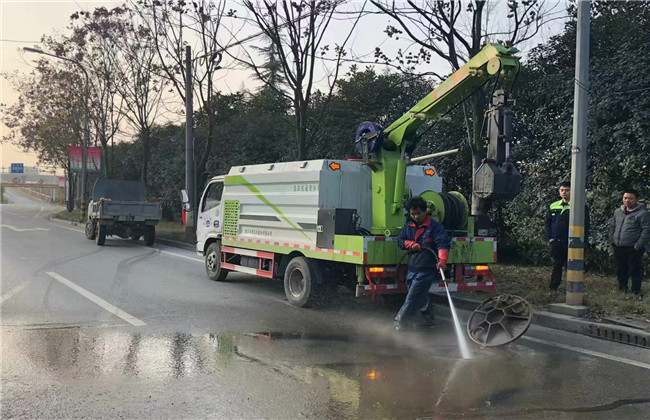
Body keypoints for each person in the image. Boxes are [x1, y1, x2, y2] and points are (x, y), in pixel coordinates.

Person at [394, 196, 450, 331]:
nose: (416, 216)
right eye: (413, 214)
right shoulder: (409, 227)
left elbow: (442, 243)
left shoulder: (435, 227)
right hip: (412, 267)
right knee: (420, 296)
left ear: (425, 212)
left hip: (427, 270)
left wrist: (442, 261)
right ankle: (428, 319)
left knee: (412, 297)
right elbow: (400, 240)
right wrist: (410, 244)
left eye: (418, 213)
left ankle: (399, 323)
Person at [545, 181, 589, 293]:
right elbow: (548, 223)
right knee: (556, 266)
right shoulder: (553, 205)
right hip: (557, 241)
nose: (564, 192)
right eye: (562, 190)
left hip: (572, 242)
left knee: (573, 266)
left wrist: (583, 241)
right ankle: (553, 287)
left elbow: (586, 225)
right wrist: (550, 237)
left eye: (567, 190)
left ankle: (573, 289)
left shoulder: (579, 206)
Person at [610, 189, 650, 297]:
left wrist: (638, 245)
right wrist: (612, 240)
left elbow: (646, 230)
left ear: (637, 199)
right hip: (619, 246)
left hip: (634, 247)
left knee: (635, 269)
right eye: (625, 198)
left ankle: (636, 292)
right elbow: (613, 226)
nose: (627, 200)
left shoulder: (643, 214)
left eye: (631, 198)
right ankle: (622, 289)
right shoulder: (618, 211)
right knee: (620, 269)